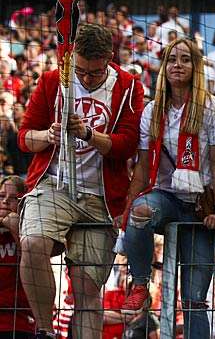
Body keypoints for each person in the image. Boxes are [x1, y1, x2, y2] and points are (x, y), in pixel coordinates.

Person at [17, 23, 144, 339]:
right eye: (82, 71)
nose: (87, 79)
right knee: (32, 242)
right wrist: (49, 135)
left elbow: (127, 145)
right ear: (72, 57)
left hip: (101, 196)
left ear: (109, 59)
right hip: (54, 184)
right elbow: (23, 137)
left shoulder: (128, 86)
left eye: (95, 73)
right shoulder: (51, 80)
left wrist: (89, 134)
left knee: (87, 286)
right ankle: (45, 331)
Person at [119, 38, 215, 339]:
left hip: (200, 204)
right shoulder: (152, 111)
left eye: (185, 59)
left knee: (194, 300)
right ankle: (141, 283)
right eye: (171, 60)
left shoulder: (212, 107)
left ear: (196, 67)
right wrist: (127, 206)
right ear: (164, 67)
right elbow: (142, 167)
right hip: (166, 197)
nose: (177, 65)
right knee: (141, 212)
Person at [0, 176, 35, 339]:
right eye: (1, 196)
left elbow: (35, 267)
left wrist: (14, 224)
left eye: (13, 198)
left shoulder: (31, 233)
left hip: (20, 323)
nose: (5, 201)